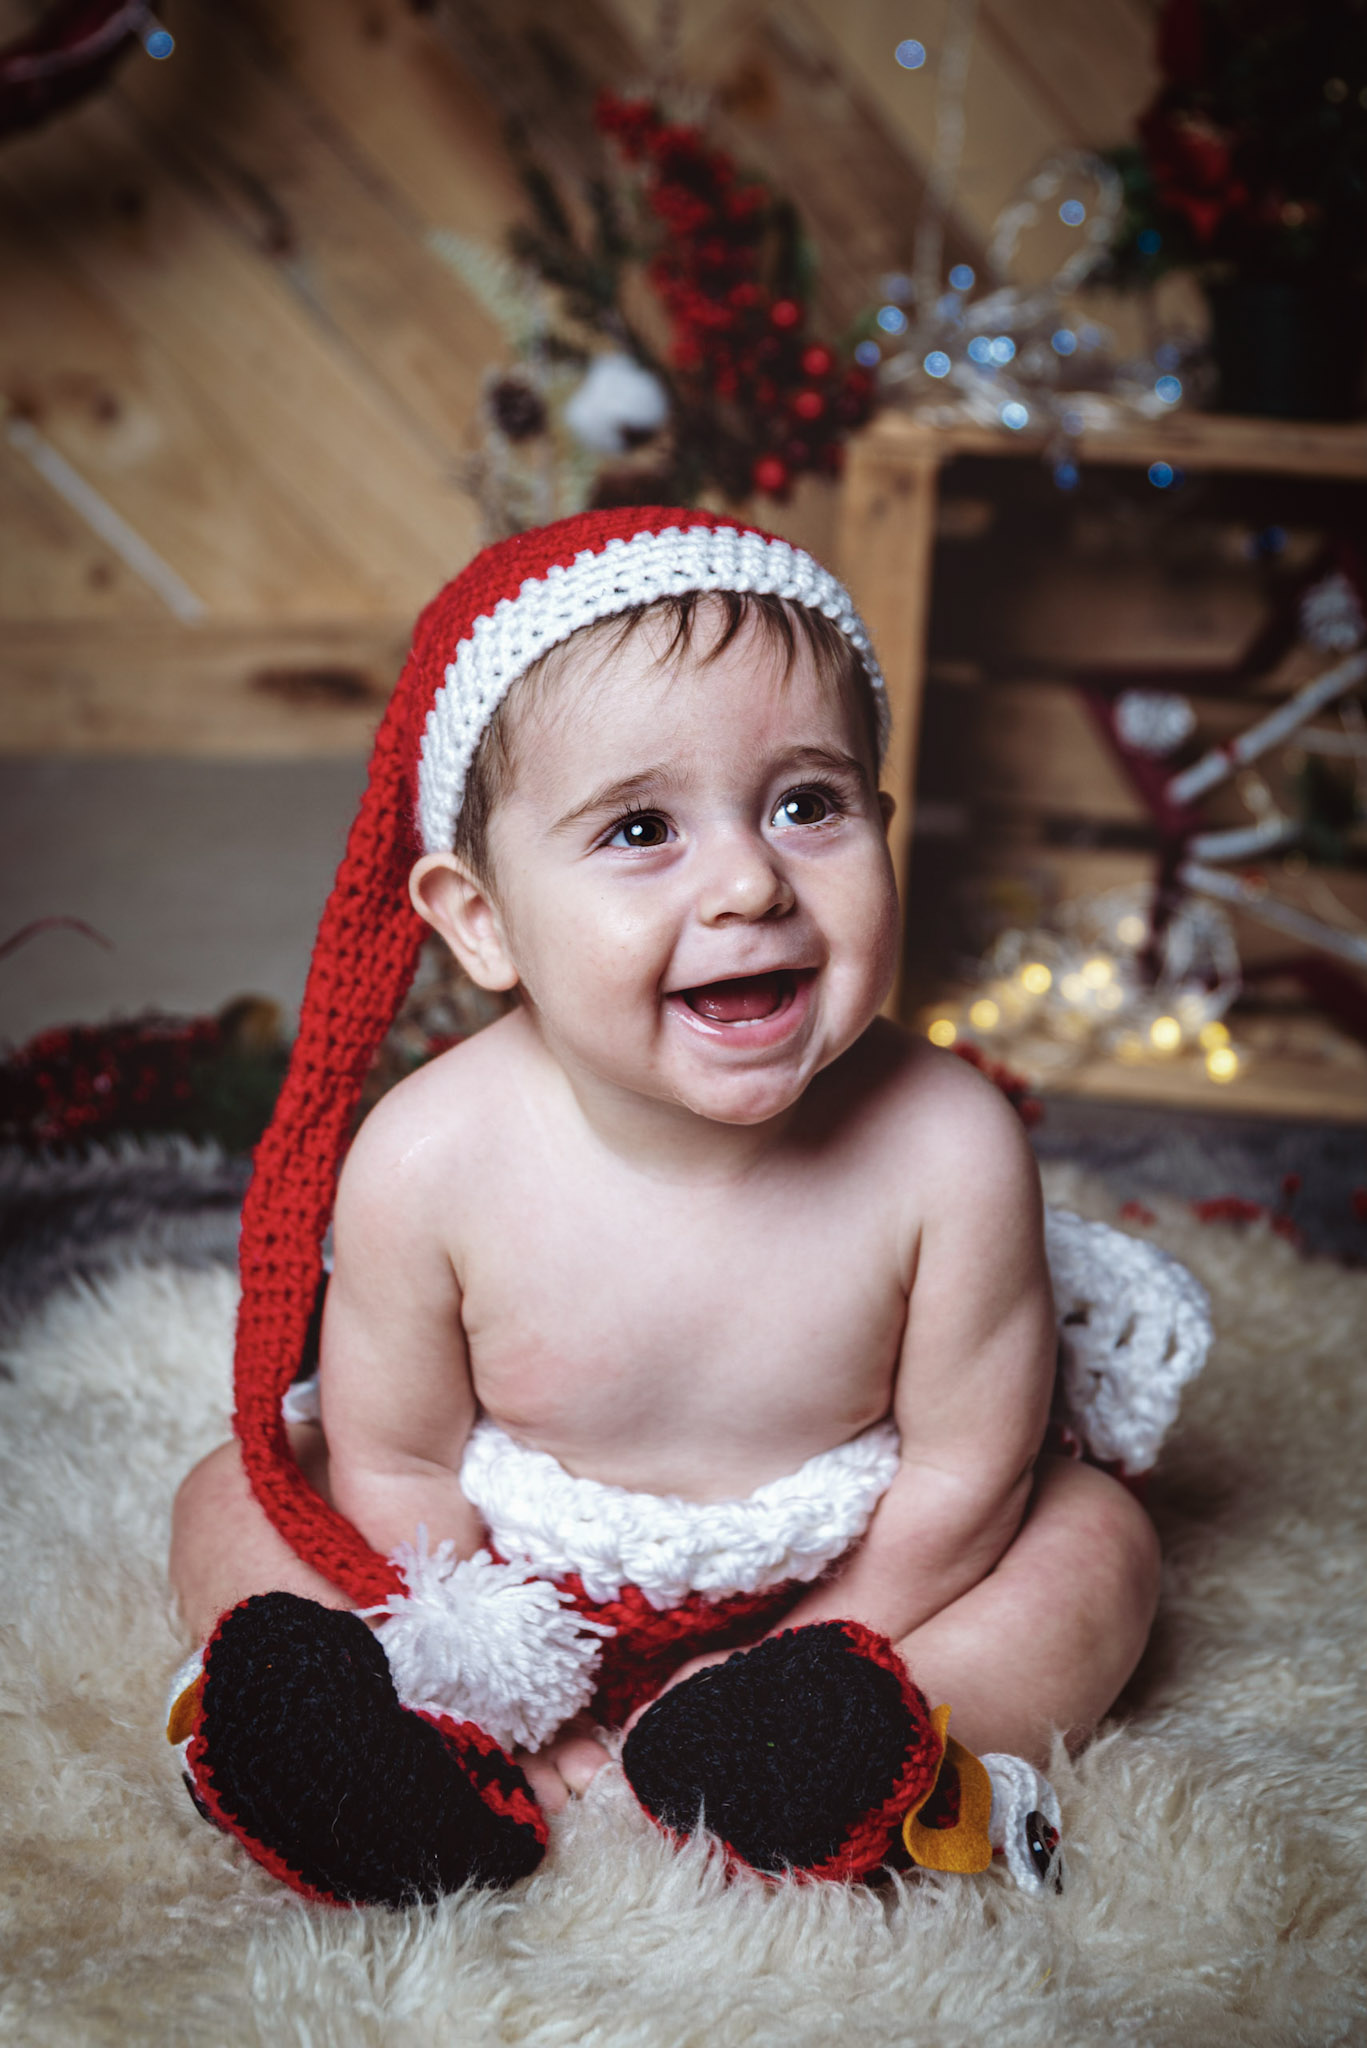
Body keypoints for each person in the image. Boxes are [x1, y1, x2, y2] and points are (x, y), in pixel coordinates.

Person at [166, 508, 1160, 1909]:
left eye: (807, 805)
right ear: (481, 919)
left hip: (852, 1580)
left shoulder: (949, 1148)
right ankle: (381, 1755)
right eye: (641, 829)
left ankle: (822, 1751)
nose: (752, 882)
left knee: (1099, 1549)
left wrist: (807, 1647)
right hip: (509, 1579)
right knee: (231, 1496)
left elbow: (963, 1481)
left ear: (883, 827)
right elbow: (400, 1468)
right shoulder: (430, 1155)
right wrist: (494, 1675)